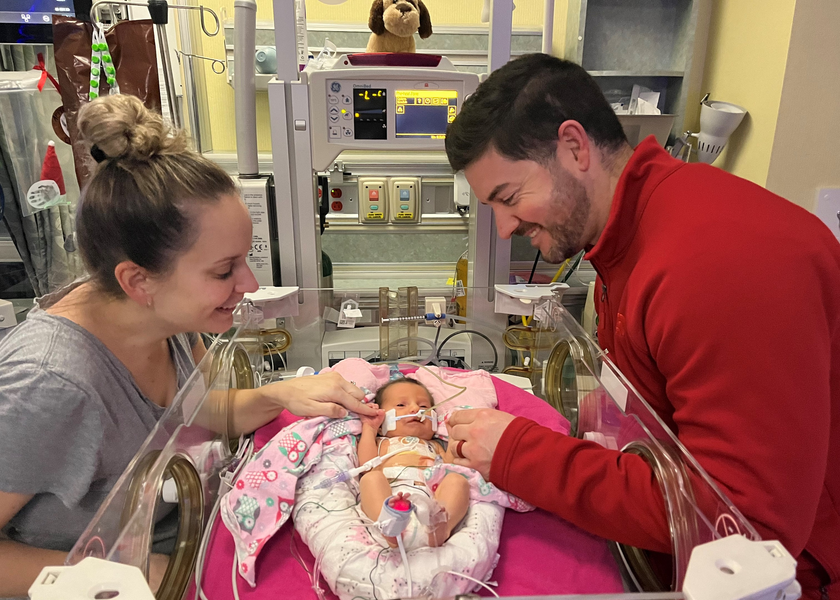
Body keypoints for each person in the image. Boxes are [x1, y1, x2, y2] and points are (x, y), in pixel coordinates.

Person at [443, 53, 839, 600]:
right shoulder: (626, 241)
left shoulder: (719, 260)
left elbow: (746, 531)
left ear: (574, 147)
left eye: (509, 199)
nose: (506, 226)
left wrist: (520, 454)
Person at [0, 94, 376, 598]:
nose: (247, 282)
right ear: (138, 281)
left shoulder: (167, 319)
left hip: (199, 545)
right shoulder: (51, 384)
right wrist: (135, 576)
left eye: (243, 259)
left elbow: (196, 412)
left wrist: (281, 395)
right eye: (224, 270)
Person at [358, 379, 469, 548]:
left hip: (431, 501)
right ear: (382, 423)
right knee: (370, 478)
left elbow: (450, 467)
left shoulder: (435, 446)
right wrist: (369, 429)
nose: (415, 409)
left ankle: (441, 529)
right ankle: (388, 528)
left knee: (457, 480)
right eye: (401, 405)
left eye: (424, 406)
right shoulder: (382, 442)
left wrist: (453, 437)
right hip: (390, 498)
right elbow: (367, 465)